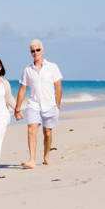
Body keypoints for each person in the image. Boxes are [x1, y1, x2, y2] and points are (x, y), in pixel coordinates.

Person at [14, 39, 63, 168]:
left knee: (47, 132)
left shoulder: (53, 67)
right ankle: (32, 160)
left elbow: (58, 87)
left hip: (50, 105)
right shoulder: (27, 70)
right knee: (31, 129)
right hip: (33, 104)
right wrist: (17, 108)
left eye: (37, 50)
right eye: (32, 51)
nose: (35, 52)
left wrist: (57, 105)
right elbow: (22, 89)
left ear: (43, 50)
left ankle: (46, 155)